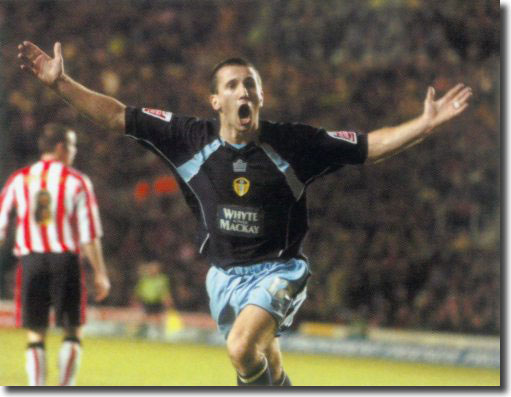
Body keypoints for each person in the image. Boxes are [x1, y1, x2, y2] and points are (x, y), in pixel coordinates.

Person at [16, 41, 472, 386]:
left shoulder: (294, 143)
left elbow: (370, 145)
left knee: (240, 350)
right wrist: (61, 84)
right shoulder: (188, 138)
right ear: (216, 101)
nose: (242, 90)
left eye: (250, 83)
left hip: (280, 269)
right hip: (223, 275)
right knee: (269, 365)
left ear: (260, 96)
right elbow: (117, 116)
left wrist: (424, 124)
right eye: (232, 84)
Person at [0, 122, 110, 386]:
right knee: (73, 330)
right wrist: (100, 274)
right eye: (72, 146)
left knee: (36, 333)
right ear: (61, 147)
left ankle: (37, 389)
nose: (74, 151)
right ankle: (64, 389)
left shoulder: (20, 179)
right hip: (66, 262)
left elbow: (1, 224)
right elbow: (89, 234)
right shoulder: (77, 181)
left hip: (31, 261)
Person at [133, 260, 173, 339]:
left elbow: (165, 291)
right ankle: (139, 334)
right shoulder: (144, 279)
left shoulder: (162, 279)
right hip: (146, 301)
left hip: (157, 301)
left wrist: (167, 300)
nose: (152, 270)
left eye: (154, 268)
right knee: (143, 318)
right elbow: (138, 290)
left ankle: (161, 336)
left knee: (159, 319)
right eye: (151, 268)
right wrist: (135, 300)